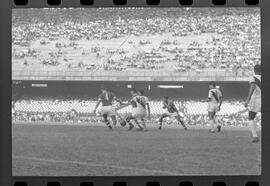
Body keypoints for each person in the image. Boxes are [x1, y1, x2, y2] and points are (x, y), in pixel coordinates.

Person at [244, 64, 261, 143]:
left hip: (256, 99)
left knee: (251, 117)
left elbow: (253, 86)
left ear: (254, 70)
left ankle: (255, 137)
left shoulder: (252, 77)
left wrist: (248, 99)